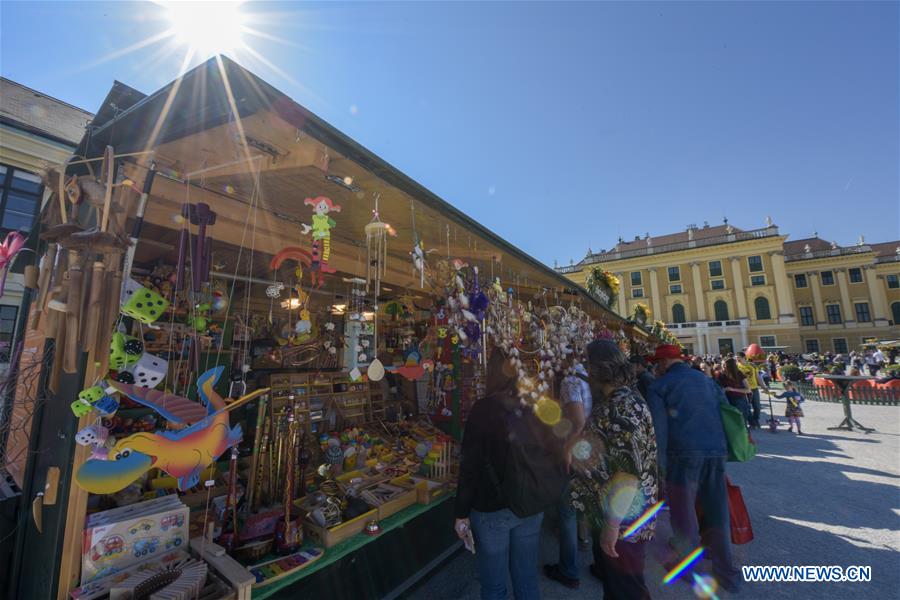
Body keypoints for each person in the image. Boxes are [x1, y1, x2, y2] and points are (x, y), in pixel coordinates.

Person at [646, 344, 741, 592]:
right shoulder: (705, 380)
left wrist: (660, 467)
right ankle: (727, 573)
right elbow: (725, 411)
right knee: (717, 511)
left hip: (682, 454)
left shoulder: (659, 386)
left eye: (656, 363)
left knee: (683, 513)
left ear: (664, 363)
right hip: (715, 450)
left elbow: (659, 429)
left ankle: (692, 571)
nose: (655, 367)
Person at [454, 350, 547, 600]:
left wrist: (461, 512)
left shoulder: (484, 409)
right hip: (530, 502)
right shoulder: (534, 403)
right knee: (527, 579)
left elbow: (470, 465)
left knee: (494, 585)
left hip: (492, 507)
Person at [570, 340, 658, 600]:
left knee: (625, 589)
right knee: (619, 586)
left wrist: (612, 524)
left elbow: (628, 472)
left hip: (624, 519)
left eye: (587, 364)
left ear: (598, 369)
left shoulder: (620, 407)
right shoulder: (622, 399)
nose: (584, 370)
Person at [545, 358, 592, 590]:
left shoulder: (570, 381)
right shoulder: (591, 376)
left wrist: (566, 450)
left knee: (567, 512)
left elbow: (579, 421)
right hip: (592, 451)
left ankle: (569, 569)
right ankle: (595, 556)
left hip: (577, 452)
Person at [716, 358, 752, 425]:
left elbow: (748, 389)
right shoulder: (720, 375)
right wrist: (722, 390)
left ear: (731, 366)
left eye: (724, 365)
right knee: (731, 423)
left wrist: (732, 389)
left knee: (741, 422)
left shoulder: (739, 374)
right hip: (726, 401)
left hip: (740, 401)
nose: (723, 367)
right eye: (722, 365)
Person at [737, 352, 763, 428]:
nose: (737, 359)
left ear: (744, 357)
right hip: (745, 390)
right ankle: (752, 423)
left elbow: (758, 377)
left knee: (757, 406)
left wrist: (763, 387)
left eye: (738, 357)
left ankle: (756, 420)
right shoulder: (737, 367)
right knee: (747, 407)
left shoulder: (752, 366)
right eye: (736, 358)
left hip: (754, 388)